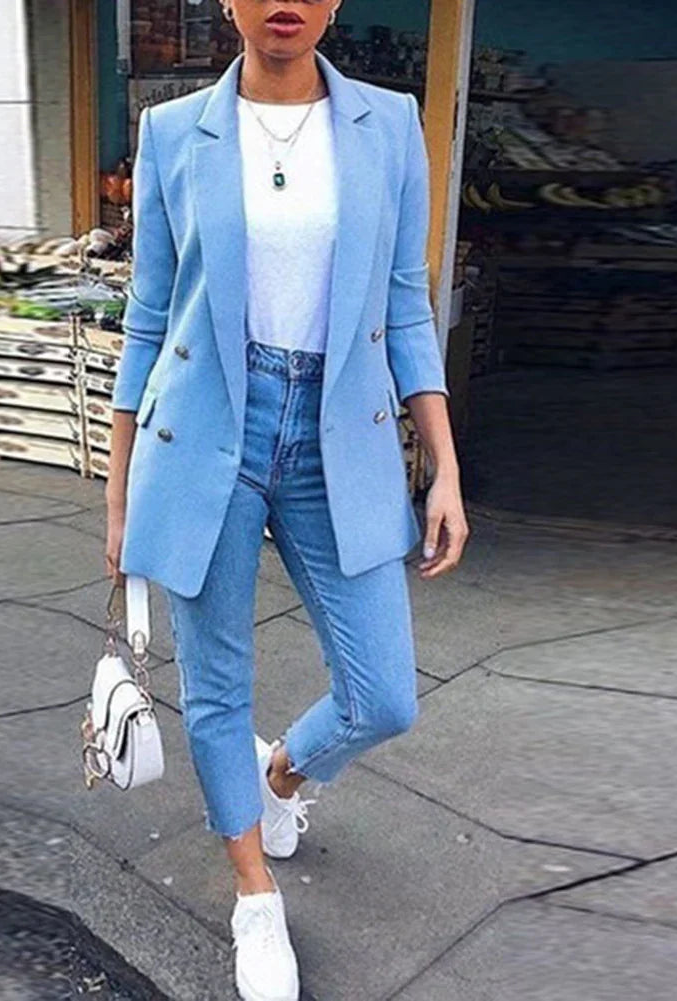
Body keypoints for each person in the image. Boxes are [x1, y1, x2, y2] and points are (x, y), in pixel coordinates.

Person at [104, 3, 469, 998]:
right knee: (215, 684)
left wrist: (441, 463)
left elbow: (402, 298)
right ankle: (253, 897)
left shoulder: (387, 124)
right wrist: (119, 489)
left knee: (382, 693)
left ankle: (282, 776)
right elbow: (146, 315)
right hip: (201, 430)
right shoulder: (175, 131)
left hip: (335, 431)